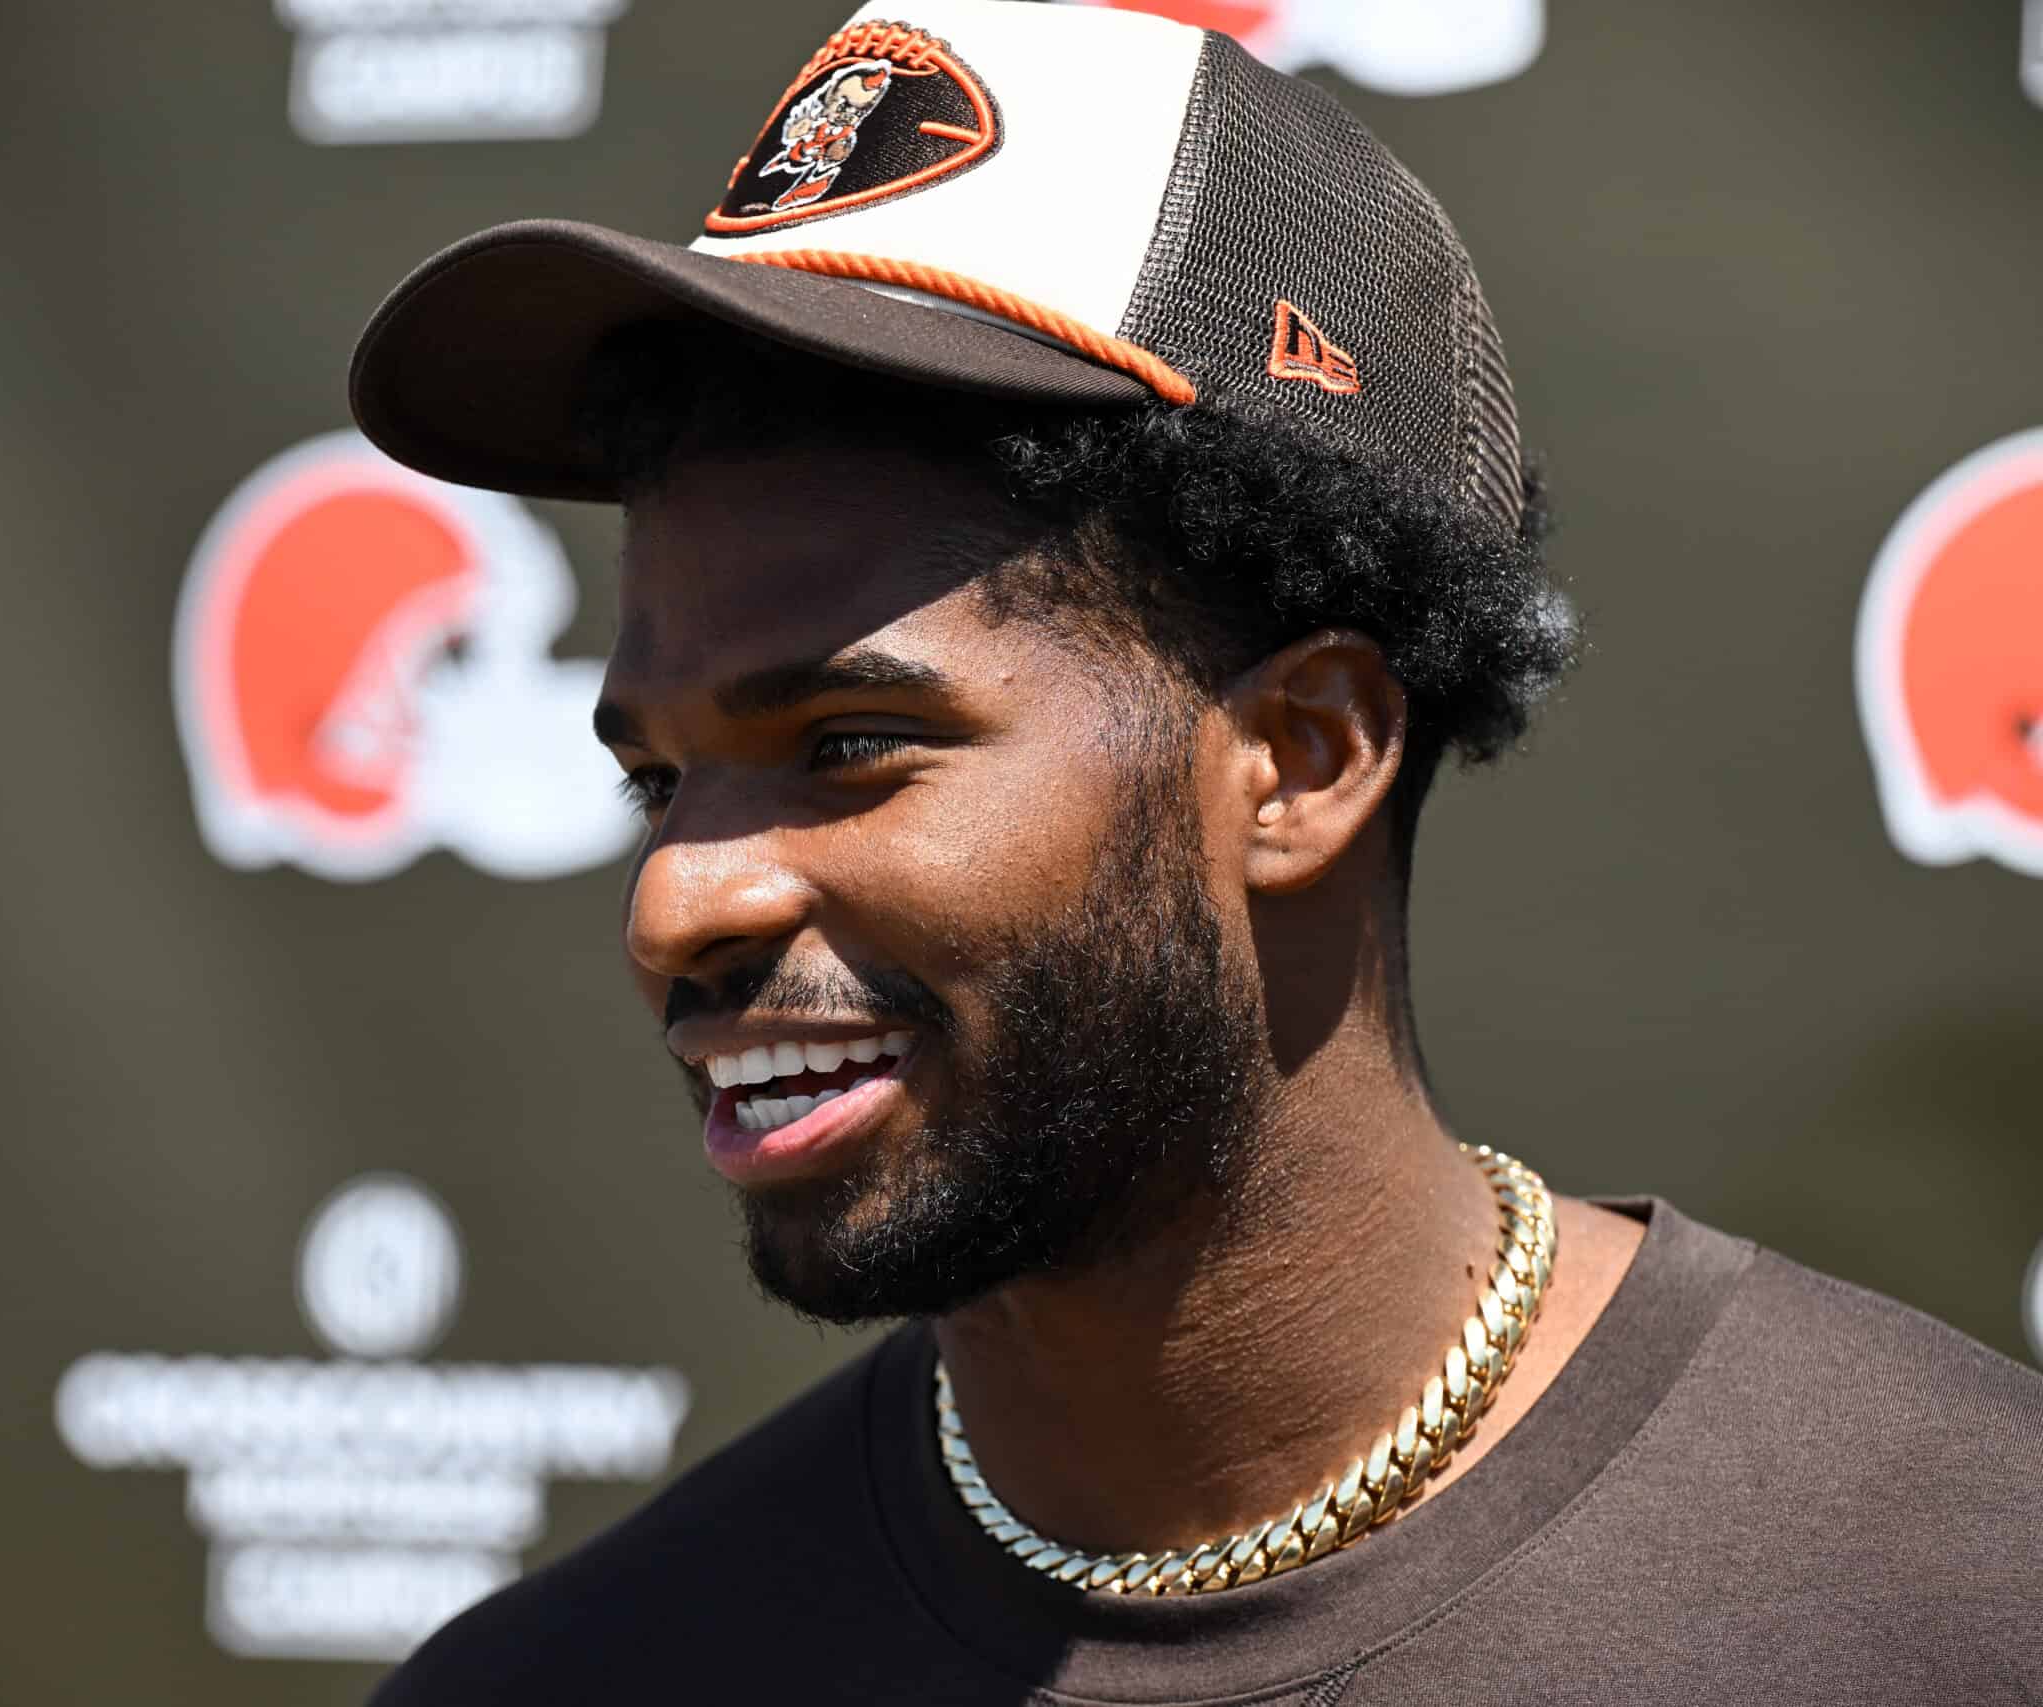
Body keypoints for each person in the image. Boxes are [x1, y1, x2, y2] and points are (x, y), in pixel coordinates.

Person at [346, 3, 2043, 1699]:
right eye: (656, 780)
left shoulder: (1966, 1590)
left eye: (852, 747)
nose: (678, 905)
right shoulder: (573, 1676)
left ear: (1303, 759)